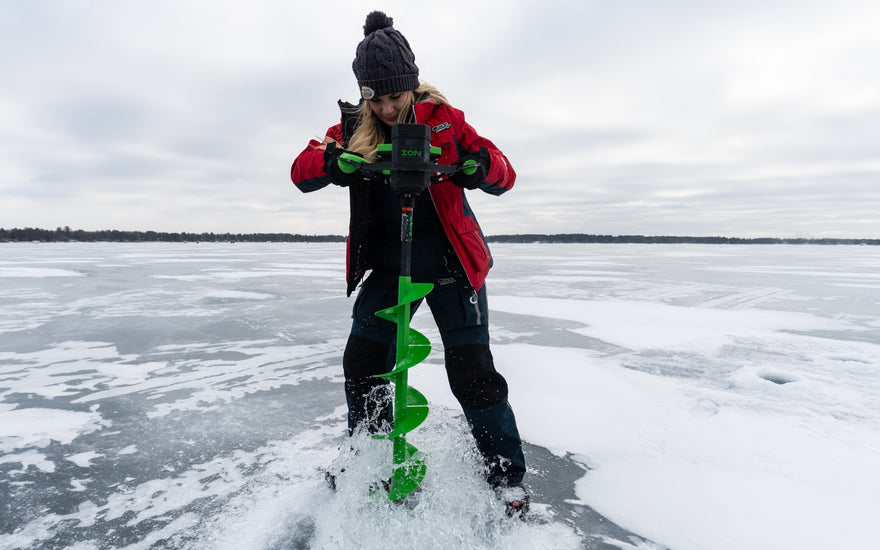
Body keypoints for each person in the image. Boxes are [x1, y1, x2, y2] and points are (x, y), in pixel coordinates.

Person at [290, 11, 528, 515]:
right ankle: (371, 457)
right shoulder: (351, 126)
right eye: (375, 98)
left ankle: (506, 477)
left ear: (411, 86)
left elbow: (504, 171)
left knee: (473, 373)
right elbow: (301, 170)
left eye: (394, 97)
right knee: (362, 364)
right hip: (388, 266)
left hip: (449, 264)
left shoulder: (446, 120)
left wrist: (478, 167)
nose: (386, 107)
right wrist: (332, 163)